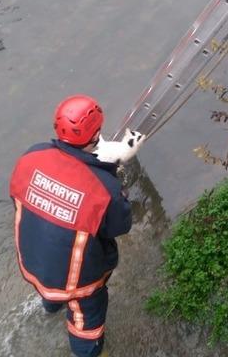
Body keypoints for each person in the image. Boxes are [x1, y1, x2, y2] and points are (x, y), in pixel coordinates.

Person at [9, 95, 136, 357]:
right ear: (97, 133)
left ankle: (51, 306)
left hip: (34, 261)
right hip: (77, 282)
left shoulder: (32, 156)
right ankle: (87, 352)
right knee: (85, 323)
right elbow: (120, 225)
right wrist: (109, 170)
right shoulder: (103, 189)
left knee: (53, 282)